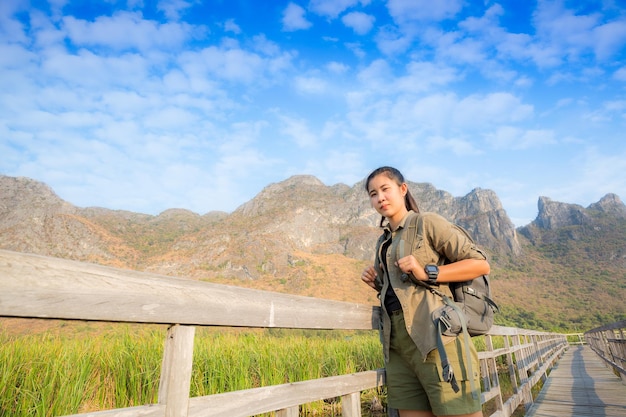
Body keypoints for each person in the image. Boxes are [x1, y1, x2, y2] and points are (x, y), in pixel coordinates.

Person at [361, 166, 489, 417]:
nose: (380, 198)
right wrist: (378, 283)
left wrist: (428, 272)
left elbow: (480, 263)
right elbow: (403, 292)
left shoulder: (426, 223)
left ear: (403, 189)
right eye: (373, 194)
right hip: (397, 348)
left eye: (385, 189)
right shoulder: (383, 242)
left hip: (437, 339)